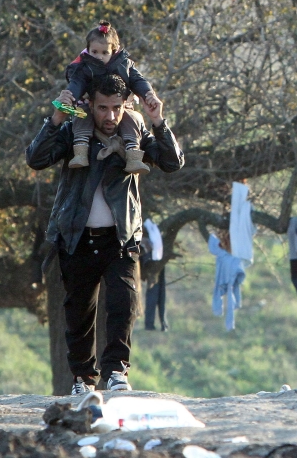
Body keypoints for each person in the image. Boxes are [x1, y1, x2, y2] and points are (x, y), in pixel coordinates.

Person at [26, 73, 184, 395]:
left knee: (124, 302)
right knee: (79, 313)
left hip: (120, 236)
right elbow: (36, 158)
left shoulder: (135, 132)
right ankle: (82, 379)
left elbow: (173, 162)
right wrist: (56, 118)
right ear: (90, 105)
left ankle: (115, 373)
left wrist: (158, 121)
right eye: (102, 108)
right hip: (77, 236)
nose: (110, 117)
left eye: (116, 108)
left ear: (125, 104)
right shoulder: (74, 131)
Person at [62, 21, 161, 175]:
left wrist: (148, 93)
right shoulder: (84, 66)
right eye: (94, 52)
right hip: (90, 104)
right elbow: (77, 83)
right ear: (88, 50)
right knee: (81, 115)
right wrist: (70, 96)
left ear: (113, 51)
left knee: (132, 119)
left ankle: (133, 153)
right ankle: (80, 150)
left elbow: (138, 80)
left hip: (123, 105)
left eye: (104, 53)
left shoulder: (123, 64)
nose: (99, 57)